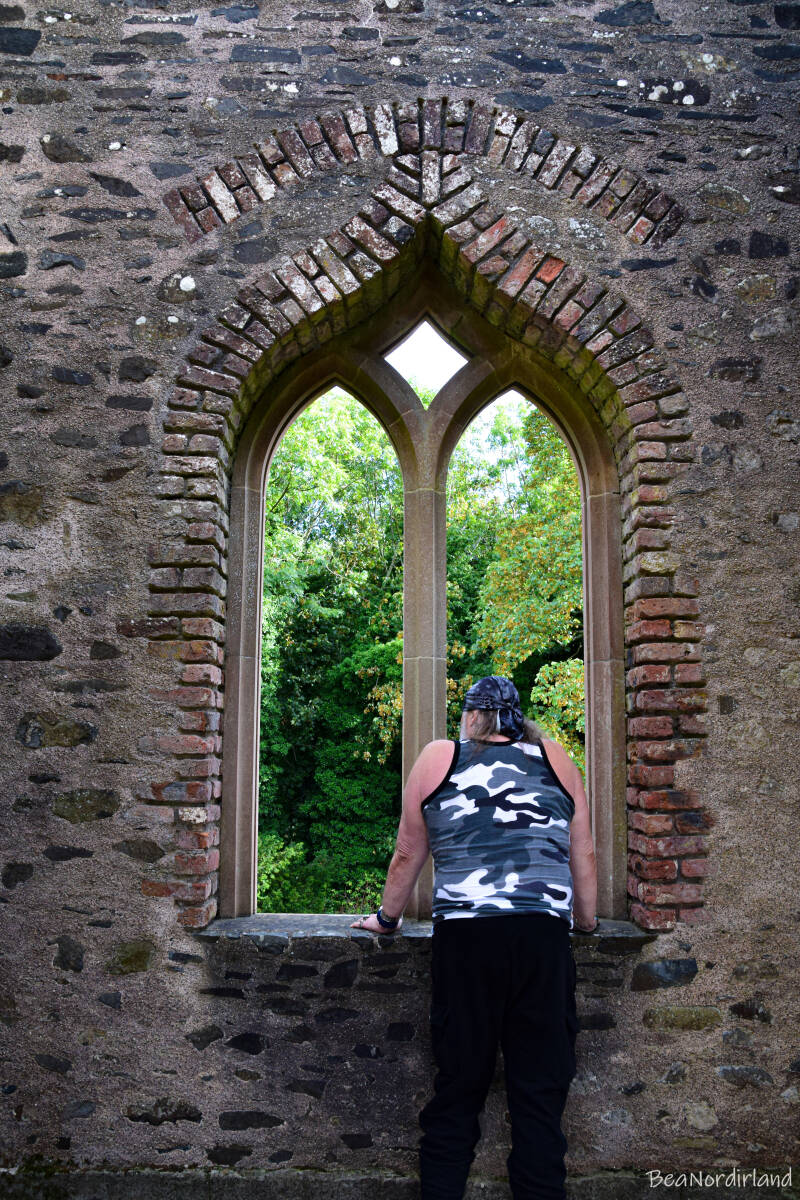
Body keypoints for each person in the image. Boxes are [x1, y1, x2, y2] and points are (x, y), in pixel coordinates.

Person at [351, 675, 598, 1200]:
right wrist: (587, 923)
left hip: (465, 942)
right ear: (517, 718)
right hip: (541, 940)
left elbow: (406, 852)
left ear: (470, 716)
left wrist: (387, 919)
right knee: (539, 1092)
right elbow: (584, 852)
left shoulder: (438, 758)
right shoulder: (556, 758)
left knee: (459, 1087)